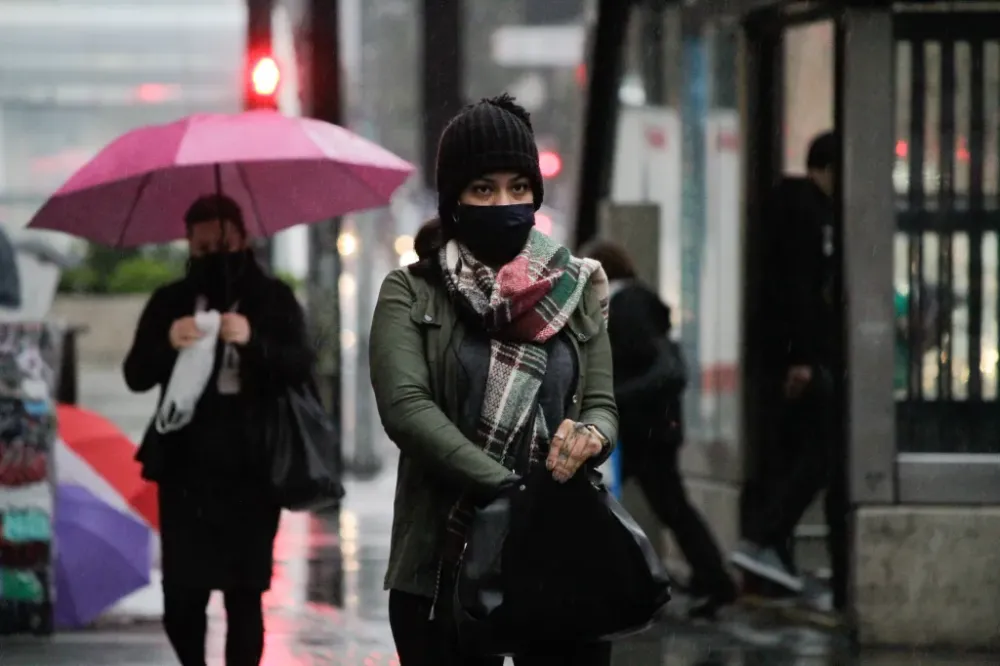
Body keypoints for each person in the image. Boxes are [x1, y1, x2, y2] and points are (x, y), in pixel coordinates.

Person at [369, 94, 618, 666]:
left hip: (560, 556)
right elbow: (406, 410)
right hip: (442, 563)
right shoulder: (411, 293)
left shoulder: (576, 289)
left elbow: (602, 403)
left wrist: (591, 436)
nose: (503, 202)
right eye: (482, 189)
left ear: (535, 194)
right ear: (455, 199)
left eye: (517, 187)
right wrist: (508, 488)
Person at [123, 194, 312, 666]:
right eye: (202, 248)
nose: (212, 256)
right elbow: (136, 373)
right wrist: (169, 341)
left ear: (243, 239)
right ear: (188, 244)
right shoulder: (171, 302)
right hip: (186, 469)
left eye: (221, 245)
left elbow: (300, 365)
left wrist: (253, 342)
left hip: (252, 468)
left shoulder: (272, 298)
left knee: (244, 596)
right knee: (182, 599)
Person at [580, 240, 737, 619]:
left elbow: (660, 371)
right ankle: (711, 579)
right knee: (662, 506)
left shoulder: (628, 306)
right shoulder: (633, 303)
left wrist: (613, 397)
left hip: (642, 431)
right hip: (646, 429)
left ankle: (712, 580)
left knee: (605, 504)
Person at [731, 131, 848, 610]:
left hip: (779, 357)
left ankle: (770, 554)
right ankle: (763, 540)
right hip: (798, 360)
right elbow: (800, 291)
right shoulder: (809, 215)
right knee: (820, 455)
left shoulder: (785, 209)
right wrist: (802, 357)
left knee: (790, 455)